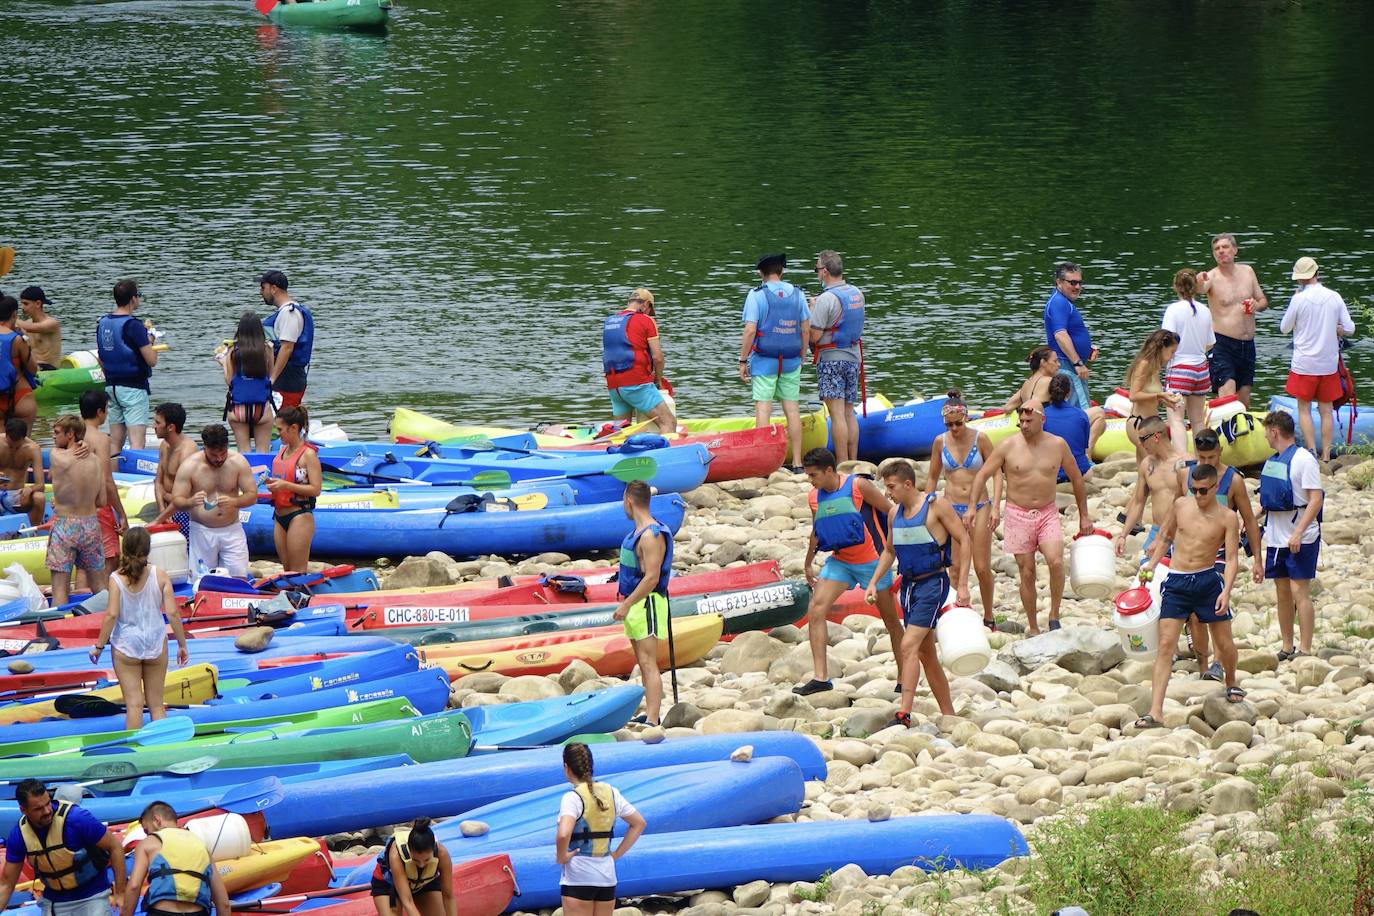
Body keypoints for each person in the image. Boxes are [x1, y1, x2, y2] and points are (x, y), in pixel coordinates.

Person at [1134, 463, 1243, 729]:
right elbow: (1166, 536)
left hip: (1207, 580)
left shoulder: (1227, 517)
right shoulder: (1181, 505)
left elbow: (1231, 559)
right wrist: (1152, 564)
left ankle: (1231, 681)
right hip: (1177, 581)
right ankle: (1156, 711)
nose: (1199, 495)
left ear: (1216, 488)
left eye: (1204, 491)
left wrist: (1226, 592)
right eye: (1194, 490)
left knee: (1224, 644)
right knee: (1166, 645)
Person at [971, 401, 1094, 634]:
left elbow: (1077, 479)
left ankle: (1054, 614)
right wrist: (972, 507)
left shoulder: (1057, 445)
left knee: (1056, 562)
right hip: (1018, 514)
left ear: (1042, 420)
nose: (1024, 425)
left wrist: (1084, 516)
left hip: (1047, 512)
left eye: (1029, 421)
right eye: (1021, 422)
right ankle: (1034, 626)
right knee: (1027, 572)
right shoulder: (1008, 446)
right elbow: (982, 475)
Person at [794, 448, 901, 696]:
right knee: (817, 610)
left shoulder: (858, 486)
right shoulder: (814, 497)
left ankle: (904, 678)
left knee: (891, 621)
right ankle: (821, 678)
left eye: (813, 475)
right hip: (840, 562)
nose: (810, 480)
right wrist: (808, 562)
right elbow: (816, 530)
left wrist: (897, 547)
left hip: (872, 563)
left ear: (830, 471)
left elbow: (891, 510)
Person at [869, 458, 965, 725]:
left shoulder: (936, 507)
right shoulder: (893, 514)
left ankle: (904, 713)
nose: (888, 493)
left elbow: (963, 538)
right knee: (925, 653)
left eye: (891, 487)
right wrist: (874, 582)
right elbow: (889, 551)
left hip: (933, 584)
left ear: (908, 484)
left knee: (908, 645)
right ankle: (949, 714)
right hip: (909, 587)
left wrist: (964, 585)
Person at [88, 527, 190, 729]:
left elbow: (112, 614)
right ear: (148, 549)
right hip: (155, 642)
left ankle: (135, 751)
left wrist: (99, 646)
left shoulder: (116, 579)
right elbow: (172, 613)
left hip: (127, 644)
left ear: (123, 548)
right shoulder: (159, 575)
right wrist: (182, 644)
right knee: (156, 706)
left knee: (134, 705)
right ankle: (162, 749)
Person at [1191, 426, 1265, 681]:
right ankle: (1202, 665)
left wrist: (1258, 559)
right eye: (1202, 458)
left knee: (1215, 609)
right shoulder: (1190, 476)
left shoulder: (1233, 480)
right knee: (1194, 615)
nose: (1206, 463)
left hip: (1222, 552)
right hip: (1192, 551)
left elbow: (1250, 520)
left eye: (1211, 458)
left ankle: (1218, 663)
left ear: (1220, 452)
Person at [923, 393, 997, 630]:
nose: (954, 428)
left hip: (980, 505)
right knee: (953, 566)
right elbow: (933, 476)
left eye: (958, 423)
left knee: (982, 565)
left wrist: (996, 505)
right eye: (949, 424)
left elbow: (996, 471)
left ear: (966, 418)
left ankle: (989, 614)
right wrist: (927, 505)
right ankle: (956, 613)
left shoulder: (981, 439)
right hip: (951, 506)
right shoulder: (939, 441)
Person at [0, 780, 126, 916]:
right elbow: (7, 884)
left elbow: (115, 847)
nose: (47, 811)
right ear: (23, 810)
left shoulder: (76, 818)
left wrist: (120, 893)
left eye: (47, 803)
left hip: (92, 896)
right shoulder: (19, 836)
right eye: (38, 809)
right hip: (54, 901)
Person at [1260, 411, 1323, 660]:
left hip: (1302, 535)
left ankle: (1305, 648)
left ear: (1274, 431)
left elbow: (1315, 500)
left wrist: (1298, 532)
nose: (1265, 436)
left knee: (1300, 592)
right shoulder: (1274, 460)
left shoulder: (1304, 460)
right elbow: (1272, 499)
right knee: (1282, 592)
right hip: (1276, 536)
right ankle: (1287, 646)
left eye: (1266, 431)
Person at [555, 742, 645, 916]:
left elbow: (564, 834)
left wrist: (561, 856)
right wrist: (616, 855)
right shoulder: (611, 792)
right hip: (606, 876)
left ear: (566, 767)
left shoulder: (572, 797)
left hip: (578, 876)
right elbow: (639, 823)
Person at [1280, 256, 1355, 461]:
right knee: (1326, 410)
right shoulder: (1334, 296)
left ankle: (1311, 450)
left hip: (1303, 363)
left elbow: (1284, 328)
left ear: (1299, 278)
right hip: (1328, 364)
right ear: (1317, 273)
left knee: (1304, 409)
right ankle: (1326, 455)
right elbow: (1350, 328)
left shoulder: (1298, 298)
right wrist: (1336, 328)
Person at [740, 253, 810, 471]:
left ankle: (763, 461)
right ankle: (798, 462)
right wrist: (803, 354)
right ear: (782, 271)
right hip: (791, 359)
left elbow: (750, 329)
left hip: (764, 360)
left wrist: (742, 359)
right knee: (792, 408)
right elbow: (805, 328)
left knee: (763, 407)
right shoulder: (798, 294)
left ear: (761, 273)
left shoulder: (756, 295)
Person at [610, 479, 672, 726]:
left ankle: (654, 719)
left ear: (629, 501)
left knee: (648, 662)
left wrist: (626, 605)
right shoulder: (636, 533)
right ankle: (650, 711)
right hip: (636, 604)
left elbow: (652, 577)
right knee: (642, 662)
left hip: (647, 603)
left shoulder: (650, 535)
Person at [170, 425, 256, 578]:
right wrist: (190, 501)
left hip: (232, 530)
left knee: (237, 579)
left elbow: (252, 495)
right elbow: (177, 500)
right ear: (205, 448)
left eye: (223, 453)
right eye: (214, 454)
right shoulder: (190, 466)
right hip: (202, 531)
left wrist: (234, 501)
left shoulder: (238, 462)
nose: (219, 459)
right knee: (201, 581)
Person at [808, 250, 865, 465]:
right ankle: (854, 460)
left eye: (817, 270)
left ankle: (841, 463)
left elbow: (814, 335)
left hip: (831, 359)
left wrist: (812, 309)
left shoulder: (826, 299)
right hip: (853, 357)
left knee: (837, 413)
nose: (817, 274)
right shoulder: (857, 293)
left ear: (825, 272)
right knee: (850, 412)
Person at [123, 801, 229, 916]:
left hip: (162, 912)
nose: (147, 835)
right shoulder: (201, 846)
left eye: (146, 830)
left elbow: (134, 886)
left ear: (157, 820)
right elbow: (224, 903)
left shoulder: (148, 843)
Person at [1198, 233, 1268, 408]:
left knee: (1244, 399)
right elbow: (1199, 289)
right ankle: (1224, 428)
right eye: (1217, 249)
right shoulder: (1211, 277)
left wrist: (1256, 305)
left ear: (1235, 250)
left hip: (1247, 344)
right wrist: (1198, 281)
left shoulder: (1248, 272)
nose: (1221, 251)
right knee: (1228, 392)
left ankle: (1241, 431)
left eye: (1225, 247)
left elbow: (1263, 300)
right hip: (1222, 343)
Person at [47, 415, 107, 608]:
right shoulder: (96, 461)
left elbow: (59, 456)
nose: (53, 437)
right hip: (90, 524)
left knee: (60, 589)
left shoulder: (56, 456)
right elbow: (102, 500)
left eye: (56, 432)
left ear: (70, 434)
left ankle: (60, 630)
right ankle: (109, 623)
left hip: (66, 524)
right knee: (99, 585)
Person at [1115, 415, 1190, 566]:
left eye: (1143, 439)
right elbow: (1138, 503)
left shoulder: (1184, 463)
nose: (1140, 444)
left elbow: (1191, 503)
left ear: (1156, 436)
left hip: (1181, 531)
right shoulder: (1146, 464)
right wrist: (1123, 535)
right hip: (1156, 530)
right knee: (1146, 571)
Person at [601, 289, 675, 436]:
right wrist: (658, 379)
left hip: (614, 386)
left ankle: (617, 456)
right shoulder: (646, 320)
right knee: (668, 423)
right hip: (636, 383)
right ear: (647, 304)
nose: (649, 314)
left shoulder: (610, 321)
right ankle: (666, 456)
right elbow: (657, 357)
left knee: (621, 432)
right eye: (650, 310)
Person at [97, 280, 158, 453]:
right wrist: (152, 341)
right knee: (137, 444)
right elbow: (151, 360)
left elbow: (101, 357)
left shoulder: (103, 323)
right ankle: (135, 478)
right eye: (138, 295)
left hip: (111, 387)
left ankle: (114, 476)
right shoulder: (134, 325)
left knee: (115, 443)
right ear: (133, 299)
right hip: (134, 389)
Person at [1160, 268, 1215, 445]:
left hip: (1180, 368)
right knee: (1198, 421)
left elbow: (1166, 339)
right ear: (1195, 287)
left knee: (1176, 421)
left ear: (1176, 287)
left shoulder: (1173, 310)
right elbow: (1210, 343)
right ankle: (1202, 459)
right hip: (1201, 368)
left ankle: (1182, 460)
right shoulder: (1205, 310)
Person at [266, 406, 321, 573]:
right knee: (287, 569)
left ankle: (301, 597)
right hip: (280, 515)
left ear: (294, 428)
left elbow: (316, 489)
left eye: (280, 429)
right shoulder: (282, 451)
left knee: (297, 571)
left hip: (299, 516)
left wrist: (286, 486)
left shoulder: (308, 455)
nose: (277, 434)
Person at [80, 391, 128, 578]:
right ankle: (104, 602)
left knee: (84, 563)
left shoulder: (72, 434)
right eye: (107, 410)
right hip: (97, 507)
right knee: (109, 559)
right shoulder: (100, 439)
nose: (107, 414)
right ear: (100, 412)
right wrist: (122, 514)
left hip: (74, 507)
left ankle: (81, 601)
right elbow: (107, 480)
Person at [369, 818, 454, 916]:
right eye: (416, 860)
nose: (421, 865)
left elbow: (448, 896)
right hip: (388, 884)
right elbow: (408, 902)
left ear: (433, 850)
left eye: (427, 860)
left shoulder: (442, 853)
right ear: (409, 851)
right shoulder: (396, 856)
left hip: (424, 882)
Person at [1042, 261, 1096, 410]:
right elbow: (1060, 335)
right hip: (1067, 365)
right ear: (1059, 282)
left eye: (1080, 282)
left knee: (1075, 405)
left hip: (1069, 363)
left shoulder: (1062, 302)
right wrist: (1078, 363)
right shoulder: (1059, 303)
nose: (1077, 287)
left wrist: (1086, 349)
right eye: (1073, 283)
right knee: (1079, 408)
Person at [259, 270, 314, 410]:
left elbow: (287, 347)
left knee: (283, 421)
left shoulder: (290, 313)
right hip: (285, 377)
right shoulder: (284, 312)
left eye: (263, 287)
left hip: (287, 379)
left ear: (274, 289)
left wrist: (272, 379)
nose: (260, 292)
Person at [222, 312, 275, 454]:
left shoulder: (233, 351)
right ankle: (263, 475)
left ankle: (244, 474)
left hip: (238, 408)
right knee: (263, 451)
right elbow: (269, 376)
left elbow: (229, 381)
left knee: (243, 450)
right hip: (262, 408)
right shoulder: (267, 350)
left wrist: (223, 362)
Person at [1122, 329, 1180, 455]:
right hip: (1139, 423)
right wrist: (1160, 394)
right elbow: (1133, 395)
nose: (1173, 356)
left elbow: (1148, 395)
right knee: (1153, 464)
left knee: (1144, 466)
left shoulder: (1154, 367)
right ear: (1162, 347)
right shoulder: (1144, 364)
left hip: (1152, 422)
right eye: (1172, 351)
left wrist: (1164, 401)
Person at [152, 404, 196, 538]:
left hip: (184, 510)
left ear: (171, 427)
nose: (154, 426)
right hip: (165, 506)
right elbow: (158, 482)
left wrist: (162, 515)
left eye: (158, 423)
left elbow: (185, 497)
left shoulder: (187, 451)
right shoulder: (164, 445)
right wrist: (162, 510)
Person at [1043, 375, 1098, 479]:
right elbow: (1083, 446)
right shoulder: (1081, 415)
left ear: (1050, 392)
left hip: (1051, 471)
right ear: (1068, 393)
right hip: (1078, 470)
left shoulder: (1041, 416)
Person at [0, 295, 39, 433]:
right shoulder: (18, 339)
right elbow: (33, 370)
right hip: (20, 395)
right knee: (25, 446)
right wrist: (28, 343)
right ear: (14, 314)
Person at [0, 416, 45, 527]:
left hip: (18, 496)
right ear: (6, 435)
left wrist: (30, 489)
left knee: (39, 497)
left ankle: (33, 532)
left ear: (24, 438)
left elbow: (41, 485)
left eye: (17, 446)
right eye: (10, 445)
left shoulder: (33, 449)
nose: (13, 448)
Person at [17, 286, 61, 371]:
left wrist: (7, 315)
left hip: (50, 368)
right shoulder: (26, 323)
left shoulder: (52, 323)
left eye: (26, 304)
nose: (22, 307)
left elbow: (29, 327)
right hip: (33, 366)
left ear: (38, 303)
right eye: (21, 304)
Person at [1003, 346, 1058, 413]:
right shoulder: (1049, 381)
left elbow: (1007, 407)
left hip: (1027, 421)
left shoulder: (1026, 383)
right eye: (1055, 361)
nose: (1059, 364)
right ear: (1043, 362)